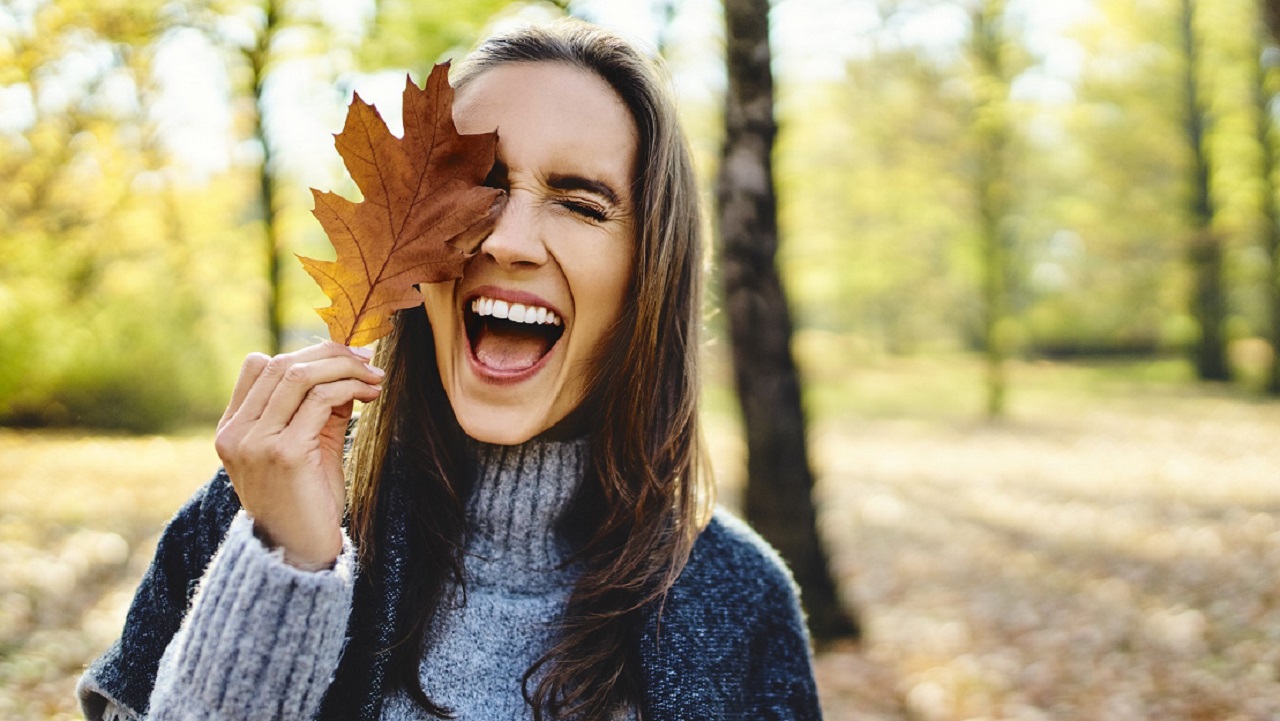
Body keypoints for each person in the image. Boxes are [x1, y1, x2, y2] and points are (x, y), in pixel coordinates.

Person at [77, 19, 822, 721]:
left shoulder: (739, 597)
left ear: (648, 275)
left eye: (580, 203)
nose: (507, 237)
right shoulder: (256, 512)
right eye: (479, 184)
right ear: (410, 240)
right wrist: (285, 568)